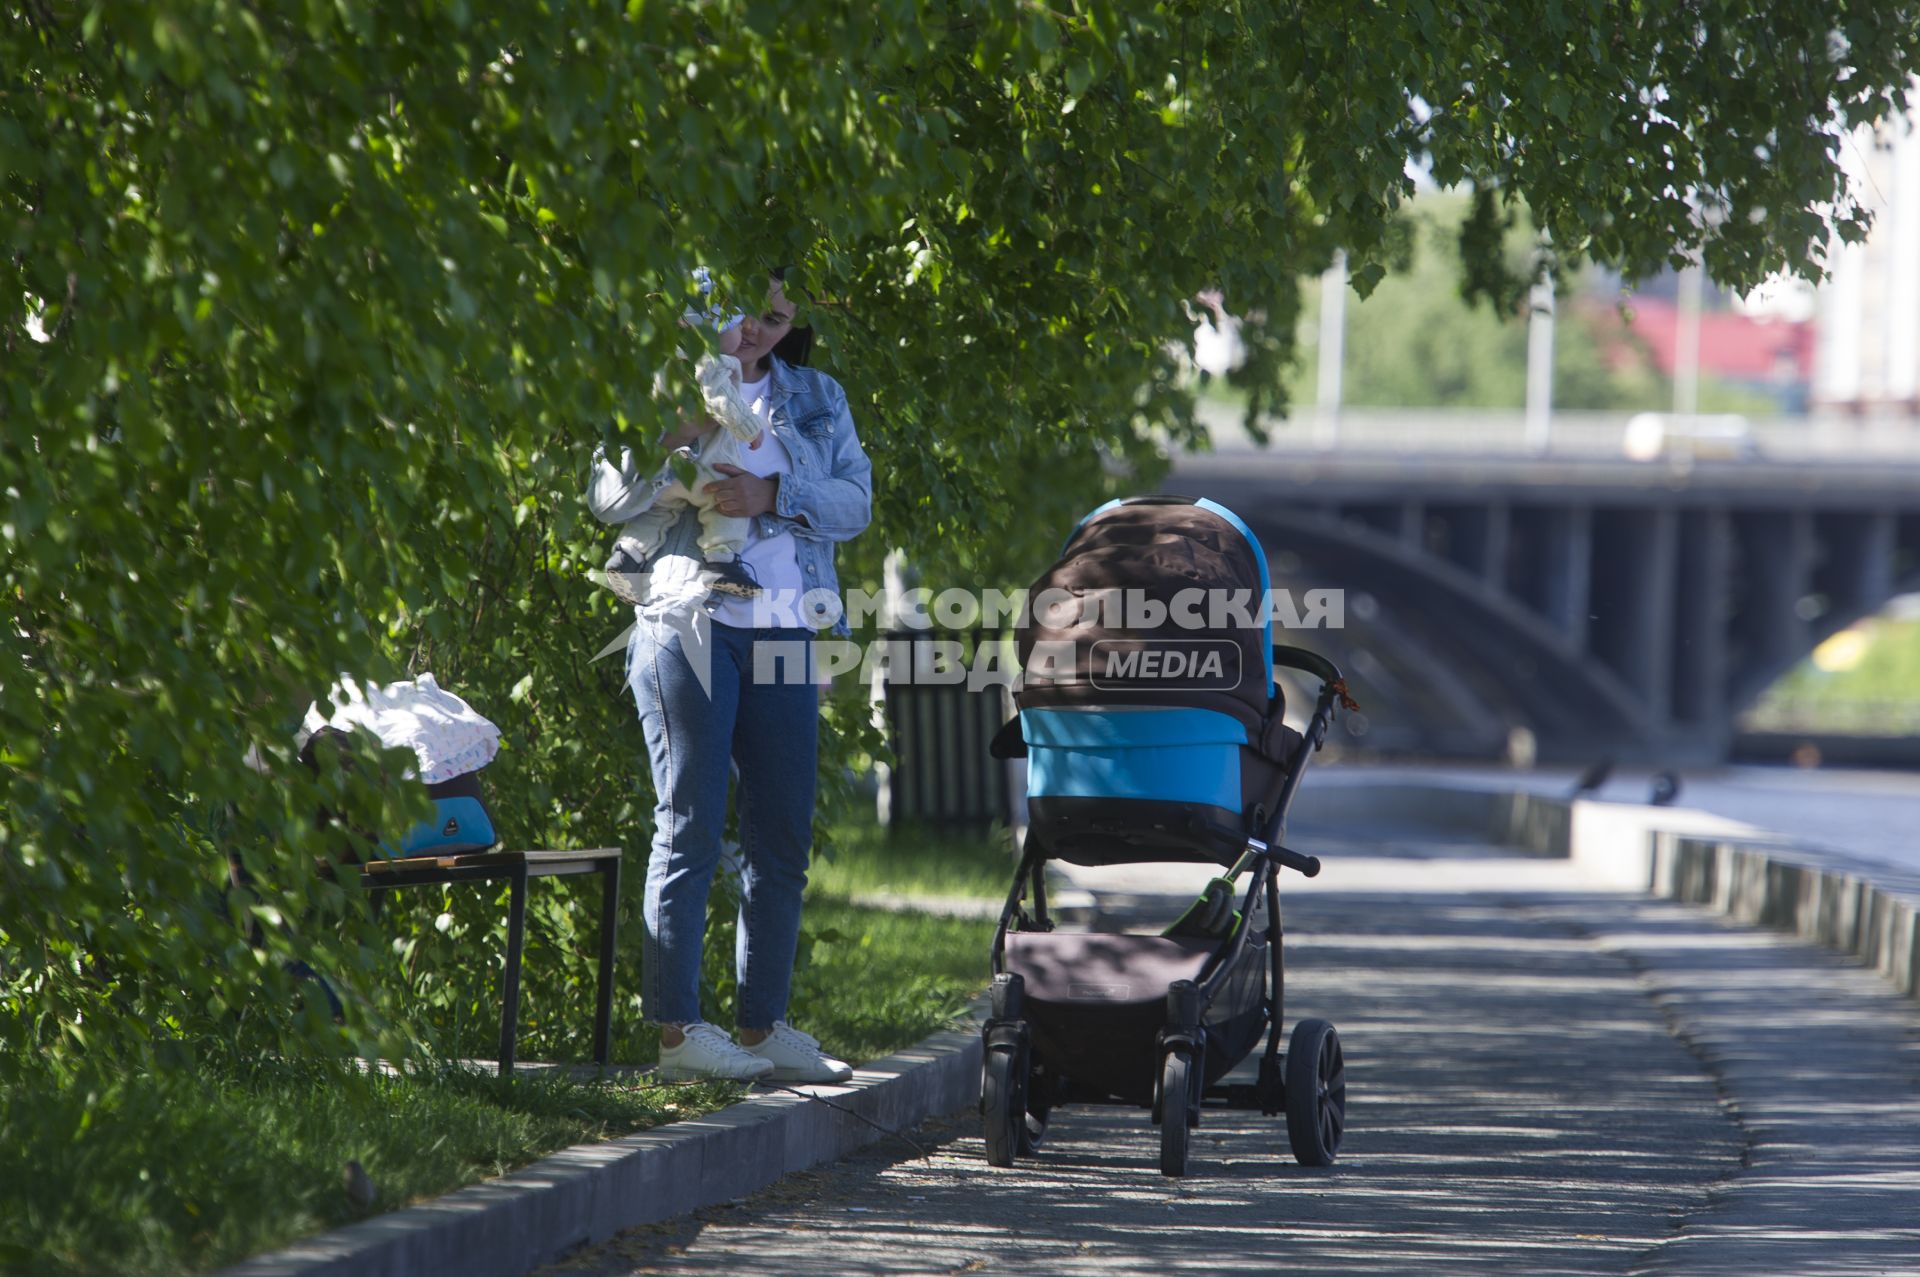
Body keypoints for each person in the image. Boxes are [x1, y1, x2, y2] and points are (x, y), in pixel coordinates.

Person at [586, 270, 873, 1082]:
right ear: (718, 302)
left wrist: (773, 492)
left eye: (778, 323)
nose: (760, 335)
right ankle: (678, 1035)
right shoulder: (662, 377)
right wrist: (674, 434)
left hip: (789, 634)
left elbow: (858, 501)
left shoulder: (817, 396)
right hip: (690, 626)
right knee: (690, 829)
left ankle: (761, 1027)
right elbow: (607, 497)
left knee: (781, 840)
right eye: (751, 316)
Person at [603, 269, 766, 604]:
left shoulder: (662, 362)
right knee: (726, 506)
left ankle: (627, 555)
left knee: (660, 510)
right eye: (735, 325)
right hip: (705, 467)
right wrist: (750, 429)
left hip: (667, 464)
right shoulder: (710, 361)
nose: (745, 330)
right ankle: (722, 562)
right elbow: (719, 399)